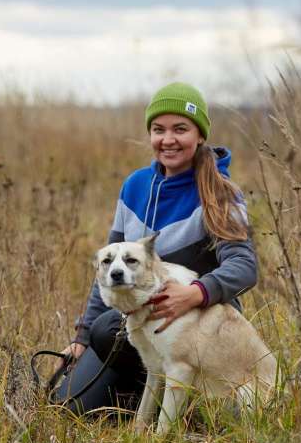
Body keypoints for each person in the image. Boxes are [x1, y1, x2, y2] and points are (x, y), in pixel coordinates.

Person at [52, 82, 257, 415]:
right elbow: (108, 270)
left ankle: (181, 392)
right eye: (159, 130)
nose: (168, 139)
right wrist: (81, 338)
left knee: (108, 329)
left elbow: (244, 267)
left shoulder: (221, 193)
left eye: (180, 129)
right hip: (136, 324)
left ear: (200, 135)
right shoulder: (135, 186)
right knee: (68, 405)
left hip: (196, 327)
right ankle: (149, 396)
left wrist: (194, 294)